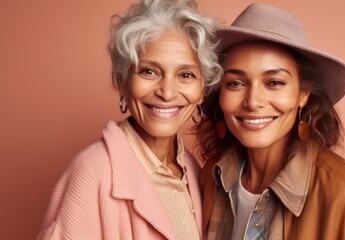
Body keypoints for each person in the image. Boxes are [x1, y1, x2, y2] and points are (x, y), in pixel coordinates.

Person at [197, 3, 345, 239]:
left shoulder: (344, 193)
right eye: (235, 83)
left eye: (275, 83)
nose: (253, 101)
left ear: (303, 94)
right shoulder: (213, 176)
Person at [37, 0, 221, 239]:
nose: (166, 92)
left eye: (186, 75)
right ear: (122, 81)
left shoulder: (195, 171)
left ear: (202, 90)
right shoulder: (92, 172)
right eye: (149, 71)